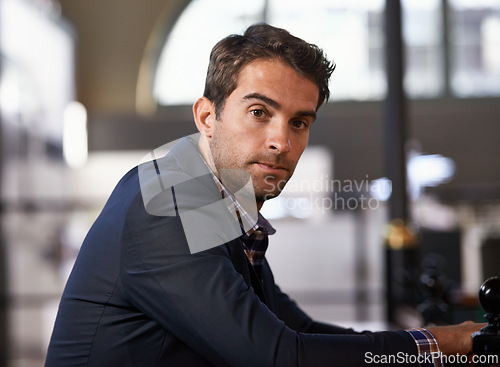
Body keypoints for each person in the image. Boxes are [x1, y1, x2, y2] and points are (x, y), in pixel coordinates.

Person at [45, 23, 483, 367]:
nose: (282, 142)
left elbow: (296, 329)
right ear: (207, 116)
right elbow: (276, 357)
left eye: (299, 122)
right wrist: (439, 343)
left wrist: (438, 344)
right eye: (259, 112)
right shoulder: (166, 203)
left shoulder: (206, 193)